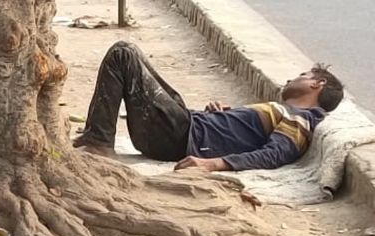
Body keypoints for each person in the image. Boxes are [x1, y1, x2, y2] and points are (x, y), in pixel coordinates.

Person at [73, 41, 344, 171]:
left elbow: (274, 154)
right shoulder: (284, 112)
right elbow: (245, 135)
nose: (291, 78)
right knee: (131, 52)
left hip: (180, 136)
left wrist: (214, 163)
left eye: (302, 76)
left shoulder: (300, 118)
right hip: (188, 124)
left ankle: (99, 142)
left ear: (317, 84)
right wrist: (220, 115)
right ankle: (96, 135)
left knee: (123, 55)